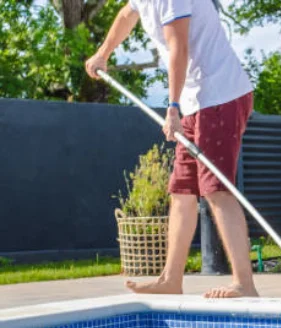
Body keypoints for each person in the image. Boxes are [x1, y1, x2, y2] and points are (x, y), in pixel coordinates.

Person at [85, 0, 258, 299]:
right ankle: (170, 279)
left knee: (216, 189)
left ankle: (244, 284)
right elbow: (127, 15)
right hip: (194, 102)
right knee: (181, 192)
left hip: (218, 97)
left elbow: (178, 47)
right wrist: (103, 53)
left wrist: (173, 107)